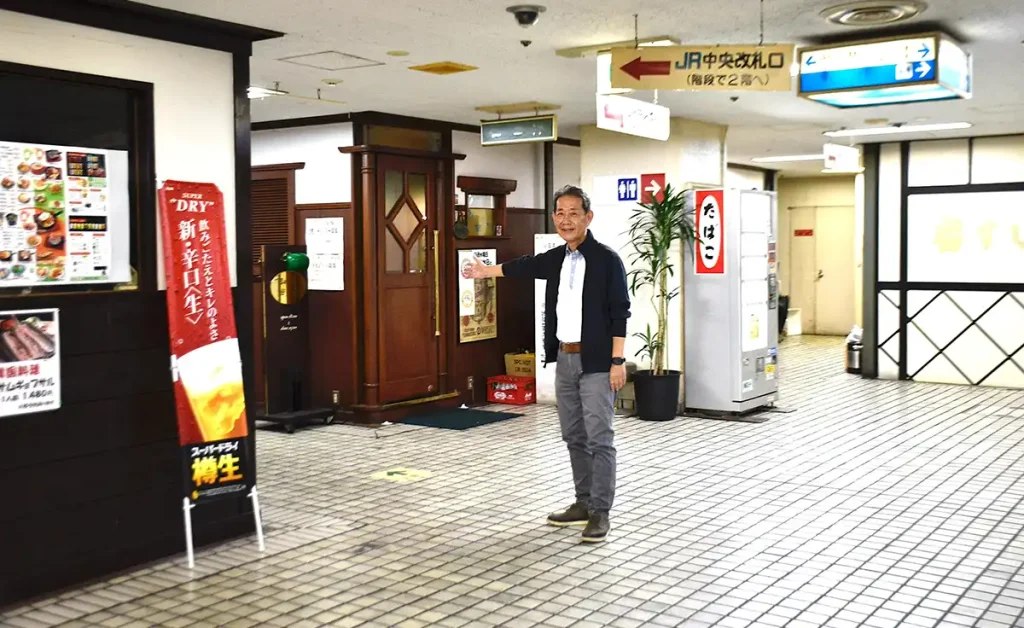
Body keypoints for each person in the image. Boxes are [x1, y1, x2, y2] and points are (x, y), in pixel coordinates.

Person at [465, 184, 630, 543]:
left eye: (574, 213)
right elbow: (524, 267)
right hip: (565, 357)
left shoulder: (606, 260)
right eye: (560, 213)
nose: (566, 220)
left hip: (599, 360)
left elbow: (620, 314)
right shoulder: (556, 257)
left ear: (589, 217)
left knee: (600, 437)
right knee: (573, 435)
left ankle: (601, 512)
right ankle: (582, 502)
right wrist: (484, 271)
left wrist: (618, 360)